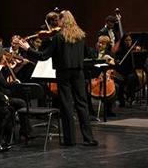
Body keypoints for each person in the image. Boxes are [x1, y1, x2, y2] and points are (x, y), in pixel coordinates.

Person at [19, 10, 98, 147]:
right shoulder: (81, 36)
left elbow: (43, 56)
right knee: (82, 104)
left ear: (62, 20)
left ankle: (70, 140)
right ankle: (88, 138)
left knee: (67, 105)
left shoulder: (58, 37)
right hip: (78, 73)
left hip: (63, 73)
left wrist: (27, 48)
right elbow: (89, 54)